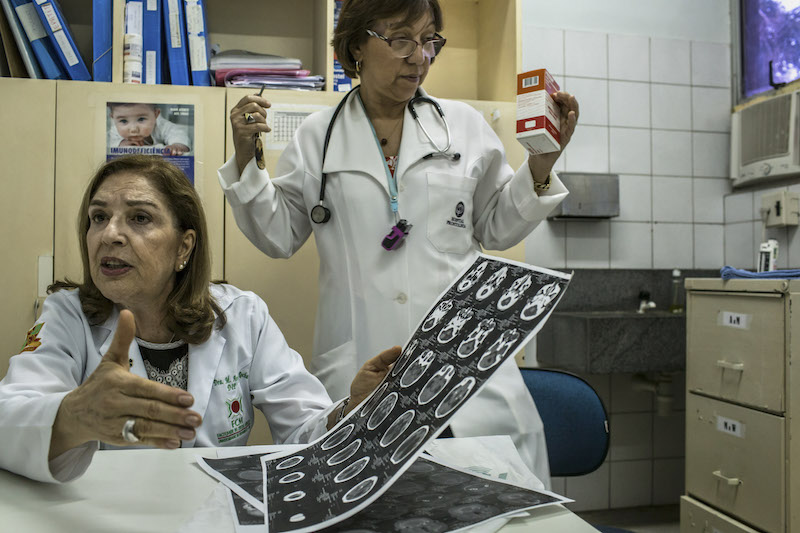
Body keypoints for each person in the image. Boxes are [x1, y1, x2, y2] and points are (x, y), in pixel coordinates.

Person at [218, 0, 578, 485]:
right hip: (364, 369)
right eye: (402, 40)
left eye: (430, 41)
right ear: (357, 47)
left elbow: (496, 228)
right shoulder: (317, 137)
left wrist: (541, 164)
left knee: (493, 504)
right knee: (371, 501)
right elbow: (278, 235)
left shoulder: (463, 125)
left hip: (463, 367)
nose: (420, 57)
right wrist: (246, 162)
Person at [0, 155, 399, 483]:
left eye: (140, 218)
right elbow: (8, 418)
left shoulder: (241, 315)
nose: (110, 234)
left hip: (218, 514)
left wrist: (351, 411)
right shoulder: (67, 315)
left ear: (183, 247)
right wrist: (75, 415)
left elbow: (302, 428)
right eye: (99, 217)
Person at [107, 103, 192, 156]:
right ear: (113, 118)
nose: (133, 129)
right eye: (123, 121)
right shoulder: (114, 131)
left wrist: (177, 146)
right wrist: (119, 144)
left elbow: (177, 133)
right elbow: (105, 142)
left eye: (141, 119)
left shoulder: (161, 125)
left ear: (156, 115)